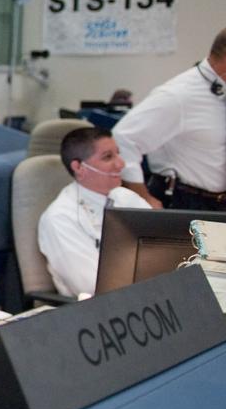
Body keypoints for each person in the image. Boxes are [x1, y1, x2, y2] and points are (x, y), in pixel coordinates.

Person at [113, 22, 226, 212]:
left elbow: (211, 145)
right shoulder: (178, 96)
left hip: (223, 202)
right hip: (185, 203)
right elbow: (123, 138)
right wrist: (141, 197)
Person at [37, 127, 152, 300]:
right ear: (79, 167)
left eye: (118, 154)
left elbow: (162, 246)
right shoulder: (61, 218)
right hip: (104, 311)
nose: (121, 164)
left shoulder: (125, 197)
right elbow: (92, 285)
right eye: (108, 157)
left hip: (147, 294)